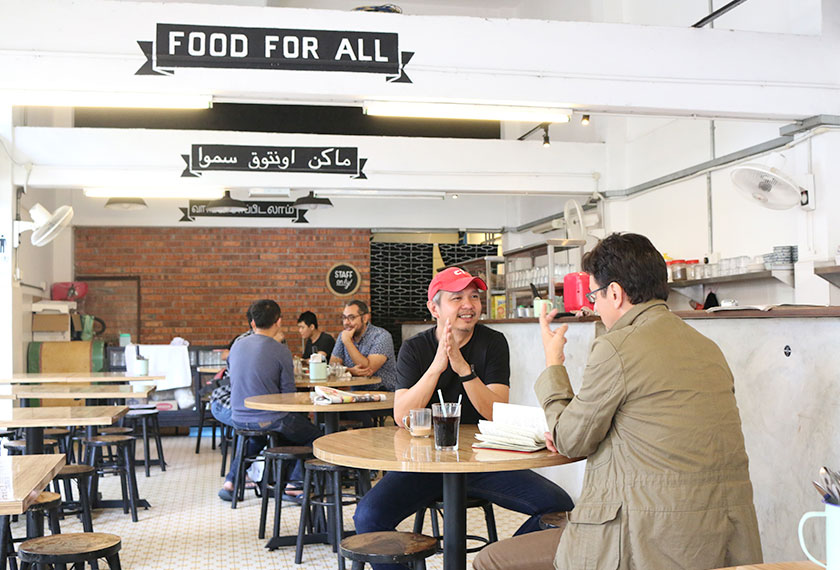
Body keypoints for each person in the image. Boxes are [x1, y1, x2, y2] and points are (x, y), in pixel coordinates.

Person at [474, 233, 763, 570]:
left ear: (614, 293)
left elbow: (570, 440)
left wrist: (553, 363)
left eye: (594, 295)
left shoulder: (618, 346)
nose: (593, 307)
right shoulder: (707, 347)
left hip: (648, 538)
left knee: (491, 560)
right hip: (724, 538)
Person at [353, 268, 574, 570]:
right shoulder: (415, 348)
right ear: (434, 308)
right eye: (457, 298)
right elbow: (402, 416)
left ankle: (497, 563)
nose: (469, 305)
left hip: (483, 461)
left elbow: (496, 411)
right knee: (368, 517)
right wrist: (437, 366)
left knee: (559, 507)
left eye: (474, 297)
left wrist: (463, 369)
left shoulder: (493, 343)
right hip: (425, 464)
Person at [218, 299, 322, 502]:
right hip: (270, 419)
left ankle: (230, 482)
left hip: (238, 416)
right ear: (279, 321)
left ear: (253, 323)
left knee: (257, 438)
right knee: (316, 436)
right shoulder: (280, 350)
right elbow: (288, 395)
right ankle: (295, 484)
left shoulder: (236, 346)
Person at [330, 300, 397, 391]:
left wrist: (348, 342)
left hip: (384, 393)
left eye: (351, 318)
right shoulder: (344, 336)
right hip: (356, 394)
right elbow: (333, 367)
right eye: (344, 317)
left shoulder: (381, 336)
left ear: (365, 318)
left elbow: (367, 370)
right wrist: (351, 371)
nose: (346, 322)